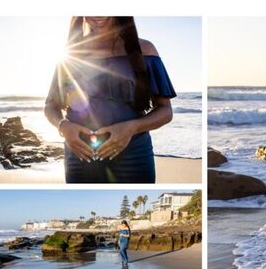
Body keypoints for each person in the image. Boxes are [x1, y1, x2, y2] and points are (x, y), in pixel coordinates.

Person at [44, 17, 176, 183]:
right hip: (79, 155)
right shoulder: (70, 53)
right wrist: (63, 126)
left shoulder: (144, 49)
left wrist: (131, 128)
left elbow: (165, 111)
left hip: (133, 156)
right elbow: (51, 106)